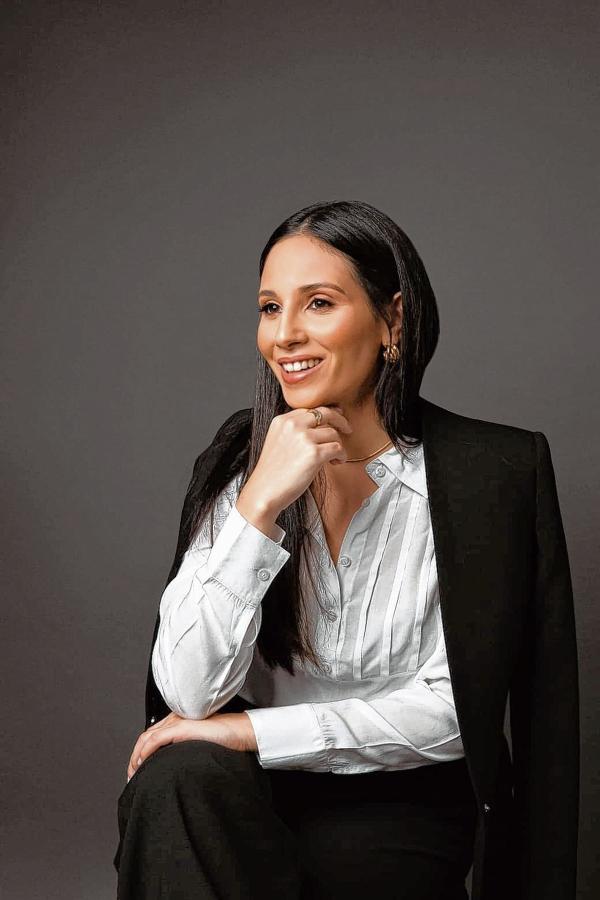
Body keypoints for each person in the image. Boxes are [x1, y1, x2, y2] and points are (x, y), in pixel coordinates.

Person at [113, 200, 579, 900]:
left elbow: (459, 710)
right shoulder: (238, 465)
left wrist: (254, 732)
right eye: (270, 308)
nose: (285, 335)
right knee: (175, 781)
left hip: (404, 798)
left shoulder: (494, 472)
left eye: (319, 303)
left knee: (347, 862)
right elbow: (187, 694)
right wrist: (258, 506)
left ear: (394, 320)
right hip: (252, 791)